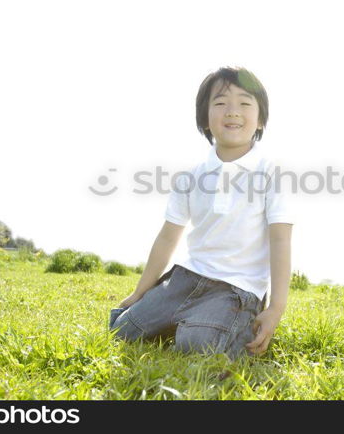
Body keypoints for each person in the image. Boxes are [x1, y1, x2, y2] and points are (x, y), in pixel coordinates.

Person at [110, 66, 294, 361]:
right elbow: (168, 237)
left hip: (237, 289)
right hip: (186, 278)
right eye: (220, 103)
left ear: (259, 120)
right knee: (121, 330)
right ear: (205, 120)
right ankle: (183, 319)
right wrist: (139, 292)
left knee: (197, 345)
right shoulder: (191, 176)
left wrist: (275, 309)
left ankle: (205, 325)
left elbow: (281, 241)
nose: (232, 111)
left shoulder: (272, 173)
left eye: (245, 103)